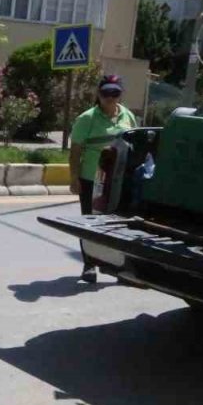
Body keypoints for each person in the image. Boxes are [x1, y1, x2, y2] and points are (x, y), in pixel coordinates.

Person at [69, 74, 137, 283]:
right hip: (93, 180)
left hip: (119, 180)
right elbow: (75, 151)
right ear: (99, 94)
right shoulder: (87, 118)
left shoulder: (128, 116)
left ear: (120, 94)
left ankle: (120, 268)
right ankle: (89, 266)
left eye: (114, 93)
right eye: (106, 92)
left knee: (119, 225)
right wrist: (74, 178)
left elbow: (134, 144)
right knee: (90, 223)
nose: (110, 97)